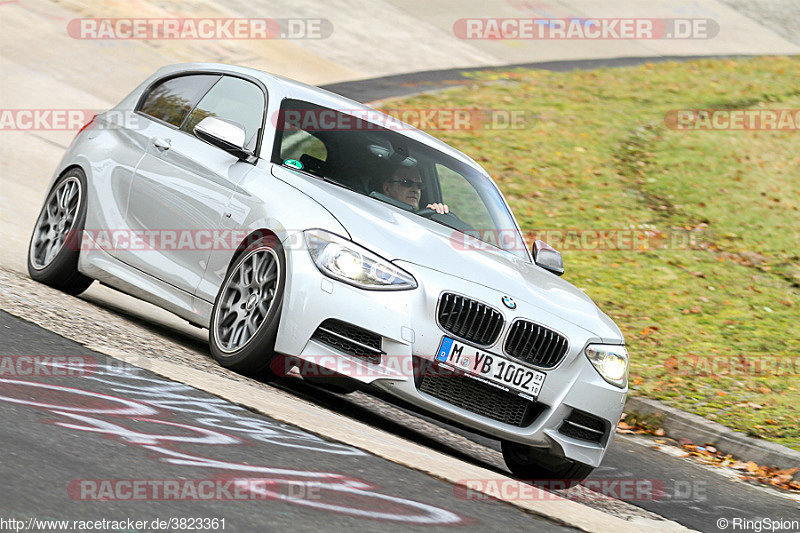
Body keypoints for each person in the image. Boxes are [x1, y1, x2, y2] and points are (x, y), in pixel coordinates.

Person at [381, 167, 449, 214]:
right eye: (407, 183)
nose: (415, 190)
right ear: (387, 188)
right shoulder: (375, 215)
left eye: (419, 185)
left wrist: (436, 213)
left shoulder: (422, 220)